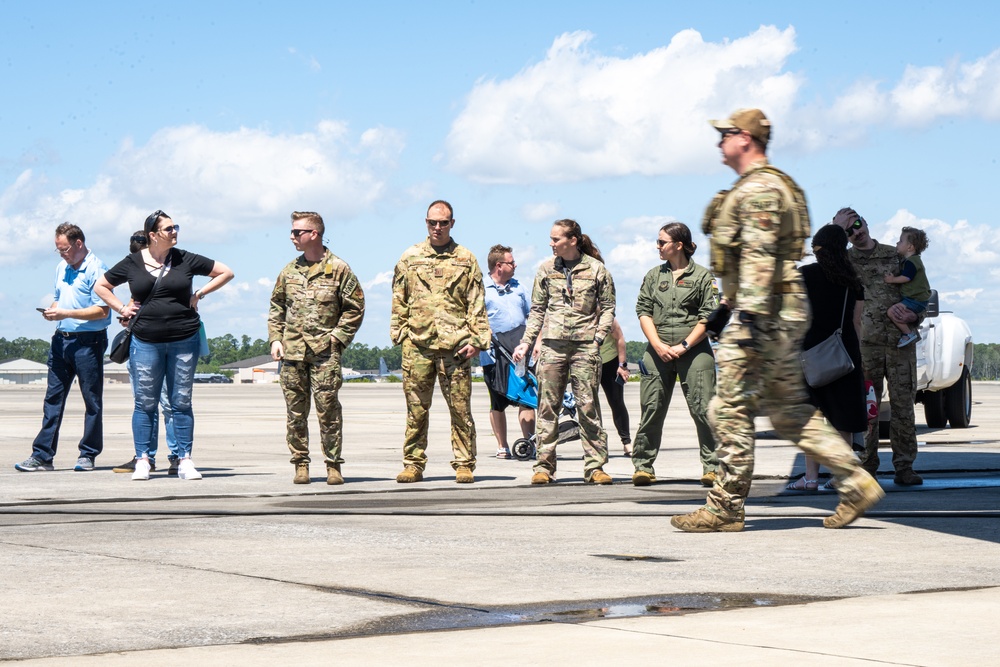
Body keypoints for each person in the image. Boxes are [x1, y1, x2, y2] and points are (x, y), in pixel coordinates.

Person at [671, 108, 883, 532]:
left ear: (745, 138)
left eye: (725, 134)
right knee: (791, 413)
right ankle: (856, 481)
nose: (719, 142)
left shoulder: (762, 190)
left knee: (727, 407)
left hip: (762, 314)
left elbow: (761, 255)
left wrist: (747, 317)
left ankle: (725, 506)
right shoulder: (766, 185)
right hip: (771, 311)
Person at [95, 210, 234, 481]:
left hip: (184, 339)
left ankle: (184, 460)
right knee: (145, 403)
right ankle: (144, 460)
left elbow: (226, 272)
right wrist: (122, 307)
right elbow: (101, 286)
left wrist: (199, 293)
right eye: (168, 229)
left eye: (175, 227)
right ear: (152, 235)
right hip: (146, 341)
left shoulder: (185, 258)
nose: (174, 232)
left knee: (181, 401)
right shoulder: (132, 262)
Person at [390, 200, 490, 484]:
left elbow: (476, 303)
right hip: (418, 346)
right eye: (433, 222)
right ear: (426, 223)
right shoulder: (410, 257)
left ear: (452, 224)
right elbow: (399, 298)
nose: (437, 228)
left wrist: (478, 341)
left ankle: (464, 463)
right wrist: (400, 333)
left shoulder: (465, 259)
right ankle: (413, 463)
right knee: (416, 410)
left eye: (443, 222)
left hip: (456, 347)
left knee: (460, 410)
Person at [512, 218, 616, 485]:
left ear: (573, 240)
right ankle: (544, 467)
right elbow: (537, 310)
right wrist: (526, 342)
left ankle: (595, 467)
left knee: (588, 407)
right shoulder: (545, 270)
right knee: (548, 408)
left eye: (556, 239)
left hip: (585, 347)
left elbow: (607, 308)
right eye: (551, 238)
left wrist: (598, 339)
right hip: (552, 347)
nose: (551, 243)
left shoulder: (597, 270)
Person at [268, 211, 365, 485]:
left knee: (329, 411)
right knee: (295, 413)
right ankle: (301, 464)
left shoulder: (339, 269)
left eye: (297, 232)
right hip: (292, 354)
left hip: (324, 355)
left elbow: (355, 308)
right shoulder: (289, 271)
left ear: (314, 234)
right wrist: (276, 338)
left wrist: (337, 338)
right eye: (292, 232)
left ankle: (333, 465)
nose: (292, 237)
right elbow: (276, 306)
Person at [832, 208, 923, 485]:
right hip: (864, 348)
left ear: (865, 222)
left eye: (857, 224)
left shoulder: (896, 255)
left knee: (903, 408)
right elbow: (822, 257)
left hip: (899, 345)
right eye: (848, 231)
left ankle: (904, 467)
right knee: (867, 409)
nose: (856, 232)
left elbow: (918, 289)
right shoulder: (843, 261)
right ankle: (867, 465)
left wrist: (915, 317)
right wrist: (836, 230)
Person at [15, 223, 112, 473]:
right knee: (52, 399)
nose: (62, 255)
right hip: (61, 339)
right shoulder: (61, 267)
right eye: (58, 250)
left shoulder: (98, 269)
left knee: (92, 400)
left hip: (88, 342)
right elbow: (60, 298)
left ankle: (88, 454)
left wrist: (66, 312)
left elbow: (102, 310)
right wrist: (53, 311)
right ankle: (43, 455)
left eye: (65, 249)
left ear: (79, 244)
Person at [632, 222, 719, 488]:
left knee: (704, 409)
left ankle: (713, 467)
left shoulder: (703, 277)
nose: (657, 246)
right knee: (651, 408)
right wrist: (657, 344)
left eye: (661, 242)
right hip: (657, 351)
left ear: (678, 245)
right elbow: (643, 310)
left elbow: (709, 316)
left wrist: (684, 345)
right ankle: (643, 466)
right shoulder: (653, 276)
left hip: (694, 351)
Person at [790, 224, 868, 492]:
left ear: (819, 248)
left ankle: (810, 479)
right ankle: (841, 477)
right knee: (843, 420)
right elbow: (857, 322)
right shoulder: (852, 281)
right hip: (844, 356)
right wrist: (858, 357)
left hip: (809, 356)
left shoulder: (804, 275)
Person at [113, 230, 181, 476]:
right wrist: (127, 312)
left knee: (169, 404)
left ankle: (175, 456)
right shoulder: (138, 272)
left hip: (165, 343)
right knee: (146, 404)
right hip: (141, 344)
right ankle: (147, 456)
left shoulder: (174, 267)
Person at [480, 244, 535, 460]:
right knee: (497, 401)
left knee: (527, 397)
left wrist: (535, 342)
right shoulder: (482, 289)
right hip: (494, 354)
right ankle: (502, 445)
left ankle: (529, 443)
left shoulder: (519, 287)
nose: (515, 265)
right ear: (498, 266)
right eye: (511, 262)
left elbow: (533, 315)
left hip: (521, 351)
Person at [885, 226, 931, 348]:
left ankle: (908, 334)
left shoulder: (911, 262)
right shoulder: (914, 260)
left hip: (914, 300)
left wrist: (892, 279)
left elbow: (907, 277)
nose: (897, 243)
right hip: (916, 299)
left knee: (891, 312)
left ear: (910, 247)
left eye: (900, 241)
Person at [598, 319, 632, 455]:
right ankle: (595, 445)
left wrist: (622, 365)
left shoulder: (607, 318)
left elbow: (620, 338)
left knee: (617, 402)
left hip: (610, 363)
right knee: (590, 406)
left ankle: (627, 442)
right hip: (588, 363)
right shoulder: (577, 315)